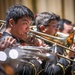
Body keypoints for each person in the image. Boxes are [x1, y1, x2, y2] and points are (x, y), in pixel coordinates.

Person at [0, 4, 42, 75]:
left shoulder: (18, 40)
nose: (28, 29)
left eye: (29, 24)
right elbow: (24, 72)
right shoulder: (5, 43)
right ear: (12, 23)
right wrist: (38, 58)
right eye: (25, 23)